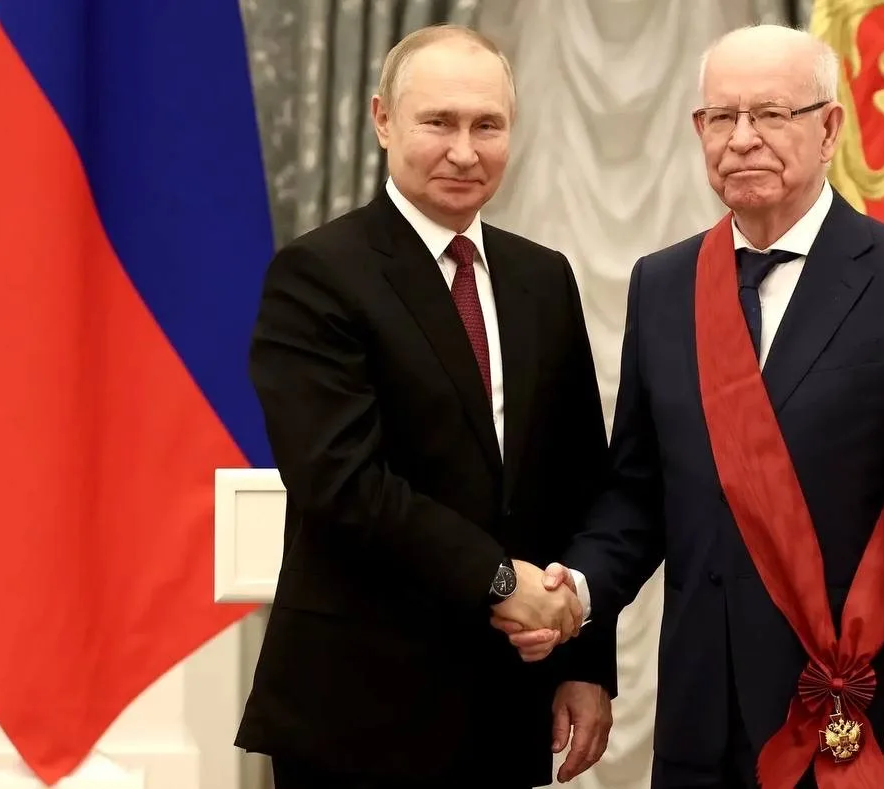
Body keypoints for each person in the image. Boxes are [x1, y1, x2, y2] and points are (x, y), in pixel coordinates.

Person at [499, 23, 884, 789]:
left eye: (771, 114)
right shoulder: (664, 285)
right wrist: (579, 592)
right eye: (721, 117)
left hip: (845, 708)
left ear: (829, 129)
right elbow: (637, 493)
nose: (742, 139)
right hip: (698, 710)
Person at [234, 25, 617, 789]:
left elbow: (578, 480)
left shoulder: (543, 277)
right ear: (383, 120)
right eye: (438, 122)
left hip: (504, 706)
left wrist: (584, 661)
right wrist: (501, 581)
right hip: (356, 711)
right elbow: (342, 482)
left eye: (487, 125)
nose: (464, 151)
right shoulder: (317, 274)